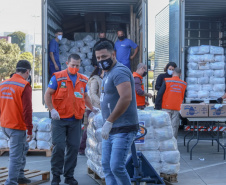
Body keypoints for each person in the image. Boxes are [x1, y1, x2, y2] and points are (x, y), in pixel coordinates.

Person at [44, 54, 99, 185]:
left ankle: (69, 176)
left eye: (77, 65)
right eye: (72, 65)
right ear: (67, 63)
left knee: (74, 148)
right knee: (59, 147)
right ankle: (56, 176)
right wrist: (52, 109)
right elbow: (47, 94)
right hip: (60, 119)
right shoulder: (57, 77)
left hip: (75, 119)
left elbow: (85, 96)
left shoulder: (83, 79)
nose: (75, 67)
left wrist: (92, 107)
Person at [95, 41, 139, 185]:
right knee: (107, 167)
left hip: (123, 127)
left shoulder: (119, 71)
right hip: (111, 128)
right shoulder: (107, 73)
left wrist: (109, 121)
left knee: (116, 167)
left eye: (104, 56)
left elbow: (126, 97)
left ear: (113, 54)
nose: (101, 60)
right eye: (98, 58)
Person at [0, 60, 33, 185]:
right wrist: (29, 129)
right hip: (16, 127)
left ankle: (19, 175)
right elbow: (27, 110)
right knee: (15, 156)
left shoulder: (3, 84)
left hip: (5, 125)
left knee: (23, 147)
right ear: (27, 72)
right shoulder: (24, 85)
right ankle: (11, 182)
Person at [155, 68, 187, 138]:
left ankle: (165, 142)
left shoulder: (167, 81)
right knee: (174, 126)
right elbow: (183, 96)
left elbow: (160, 93)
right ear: (180, 74)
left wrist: (157, 105)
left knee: (165, 125)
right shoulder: (183, 84)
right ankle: (173, 144)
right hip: (177, 107)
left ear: (172, 73)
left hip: (166, 107)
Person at [79, 67, 104, 155]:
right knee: (89, 129)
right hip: (92, 108)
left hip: (99, 108)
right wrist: (100, 103)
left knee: (97, 129)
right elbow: (93, 94)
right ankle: (82, 148)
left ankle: (94, 148)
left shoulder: (103, 79)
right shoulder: (95, 80)